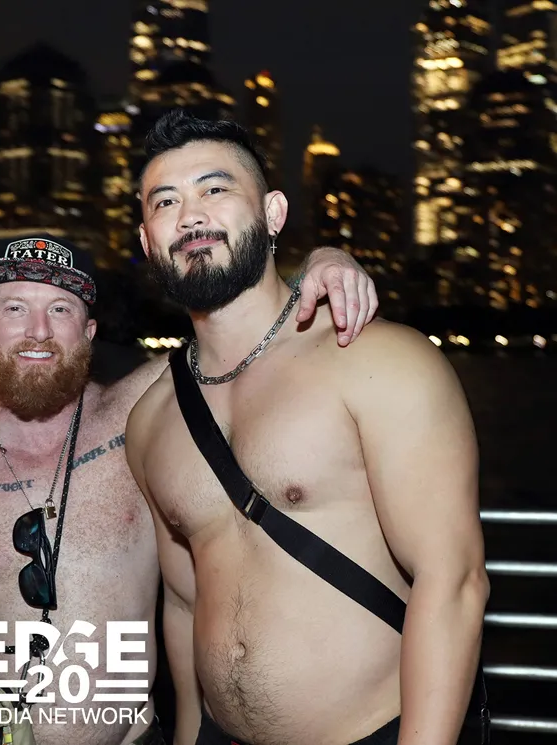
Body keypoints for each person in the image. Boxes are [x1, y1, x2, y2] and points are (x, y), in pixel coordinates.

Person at [0, 228, 378, 745]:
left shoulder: (140, 415)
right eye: (15, 309)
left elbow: (252, 332)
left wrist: (326, 259)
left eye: (61, 310)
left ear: (89, 331)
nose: (39, 331)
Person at [126, 110, 489, 745]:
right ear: (147, 240)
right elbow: (184, 604)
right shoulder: (152, 420)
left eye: (215, 188)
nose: (190, 216)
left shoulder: (376, 361)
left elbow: (453, 581)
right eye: (166, 201)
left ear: (273, 214)